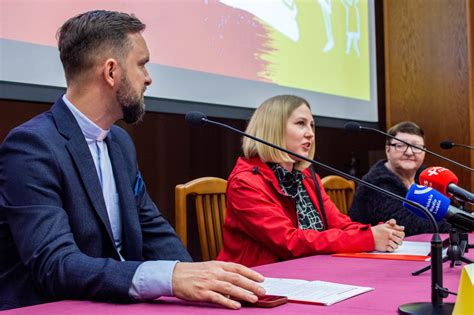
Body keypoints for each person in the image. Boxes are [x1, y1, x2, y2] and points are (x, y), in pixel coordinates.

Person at [0, 10, 266, 311]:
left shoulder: (120, 142)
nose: (148, 78)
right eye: (142, 65)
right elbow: (56, 264)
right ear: (111, 72)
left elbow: (151, 227)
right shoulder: (31, 147)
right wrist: (169, 278)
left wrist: (203, 279)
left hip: (112, 301)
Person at [216, 95, 405, 267]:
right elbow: (289, 242)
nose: (310, 134)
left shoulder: (306, 177)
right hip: (259, 281)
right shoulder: (245, 182)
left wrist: (379, 231)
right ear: (272, 128)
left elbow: (340, 224)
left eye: (312, 125)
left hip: (308, 271)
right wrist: (368, 238)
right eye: (301, 124)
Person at [349, 121, 451, 236]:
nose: (409, 152)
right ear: (387, 149)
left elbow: (450, 207)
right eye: (400, 146)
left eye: (416, 147)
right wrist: (457, 222)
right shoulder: (377, 181)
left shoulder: (426, 176)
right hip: (373, 251)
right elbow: (408, 225)